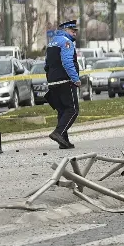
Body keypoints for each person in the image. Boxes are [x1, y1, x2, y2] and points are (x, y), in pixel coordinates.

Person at [44, 19, 81, 149]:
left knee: (62, 110)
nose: (75, 33)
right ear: (65, 30)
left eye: (75, 31)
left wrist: (49, 79)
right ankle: (58, 133)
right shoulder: (66, 42)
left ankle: (64, 142)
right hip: (65, 81)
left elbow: (46, 64)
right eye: (72, 31)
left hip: (53, 82)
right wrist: (75, 78)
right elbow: (67, 62)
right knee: (73, 110)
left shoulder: (51, 43)